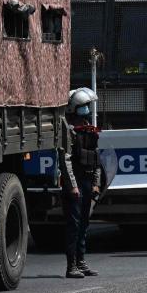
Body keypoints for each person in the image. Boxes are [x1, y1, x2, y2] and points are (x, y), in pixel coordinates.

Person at [60, 88, 102, 279]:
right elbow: (66, 159)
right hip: (75, 184)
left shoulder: (89, 129)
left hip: (87, 182)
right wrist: (73, 186)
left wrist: (95, 184)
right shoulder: (69, 131)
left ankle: (81, 261)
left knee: (84, 224)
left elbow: (96, 160)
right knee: (74, 225)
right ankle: (71, 266)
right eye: (84, 106)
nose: (86, 109)